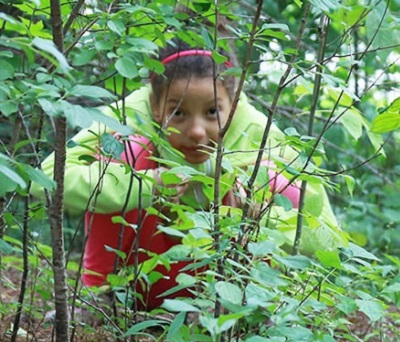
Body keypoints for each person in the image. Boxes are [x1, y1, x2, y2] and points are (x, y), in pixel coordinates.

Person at [32, 24, 343, 311]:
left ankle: (249, 312)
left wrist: (259, 216)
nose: (196, 131)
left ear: (232, 102)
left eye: (212, 112)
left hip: (222, 292)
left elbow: (326, 236)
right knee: (127, 148)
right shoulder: (131, 113)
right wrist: (145, 186)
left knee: (268, 177)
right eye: (178, 113)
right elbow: (44, 179)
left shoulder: (256, 130)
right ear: (155, 106)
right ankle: (97, 302)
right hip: (134, 282)